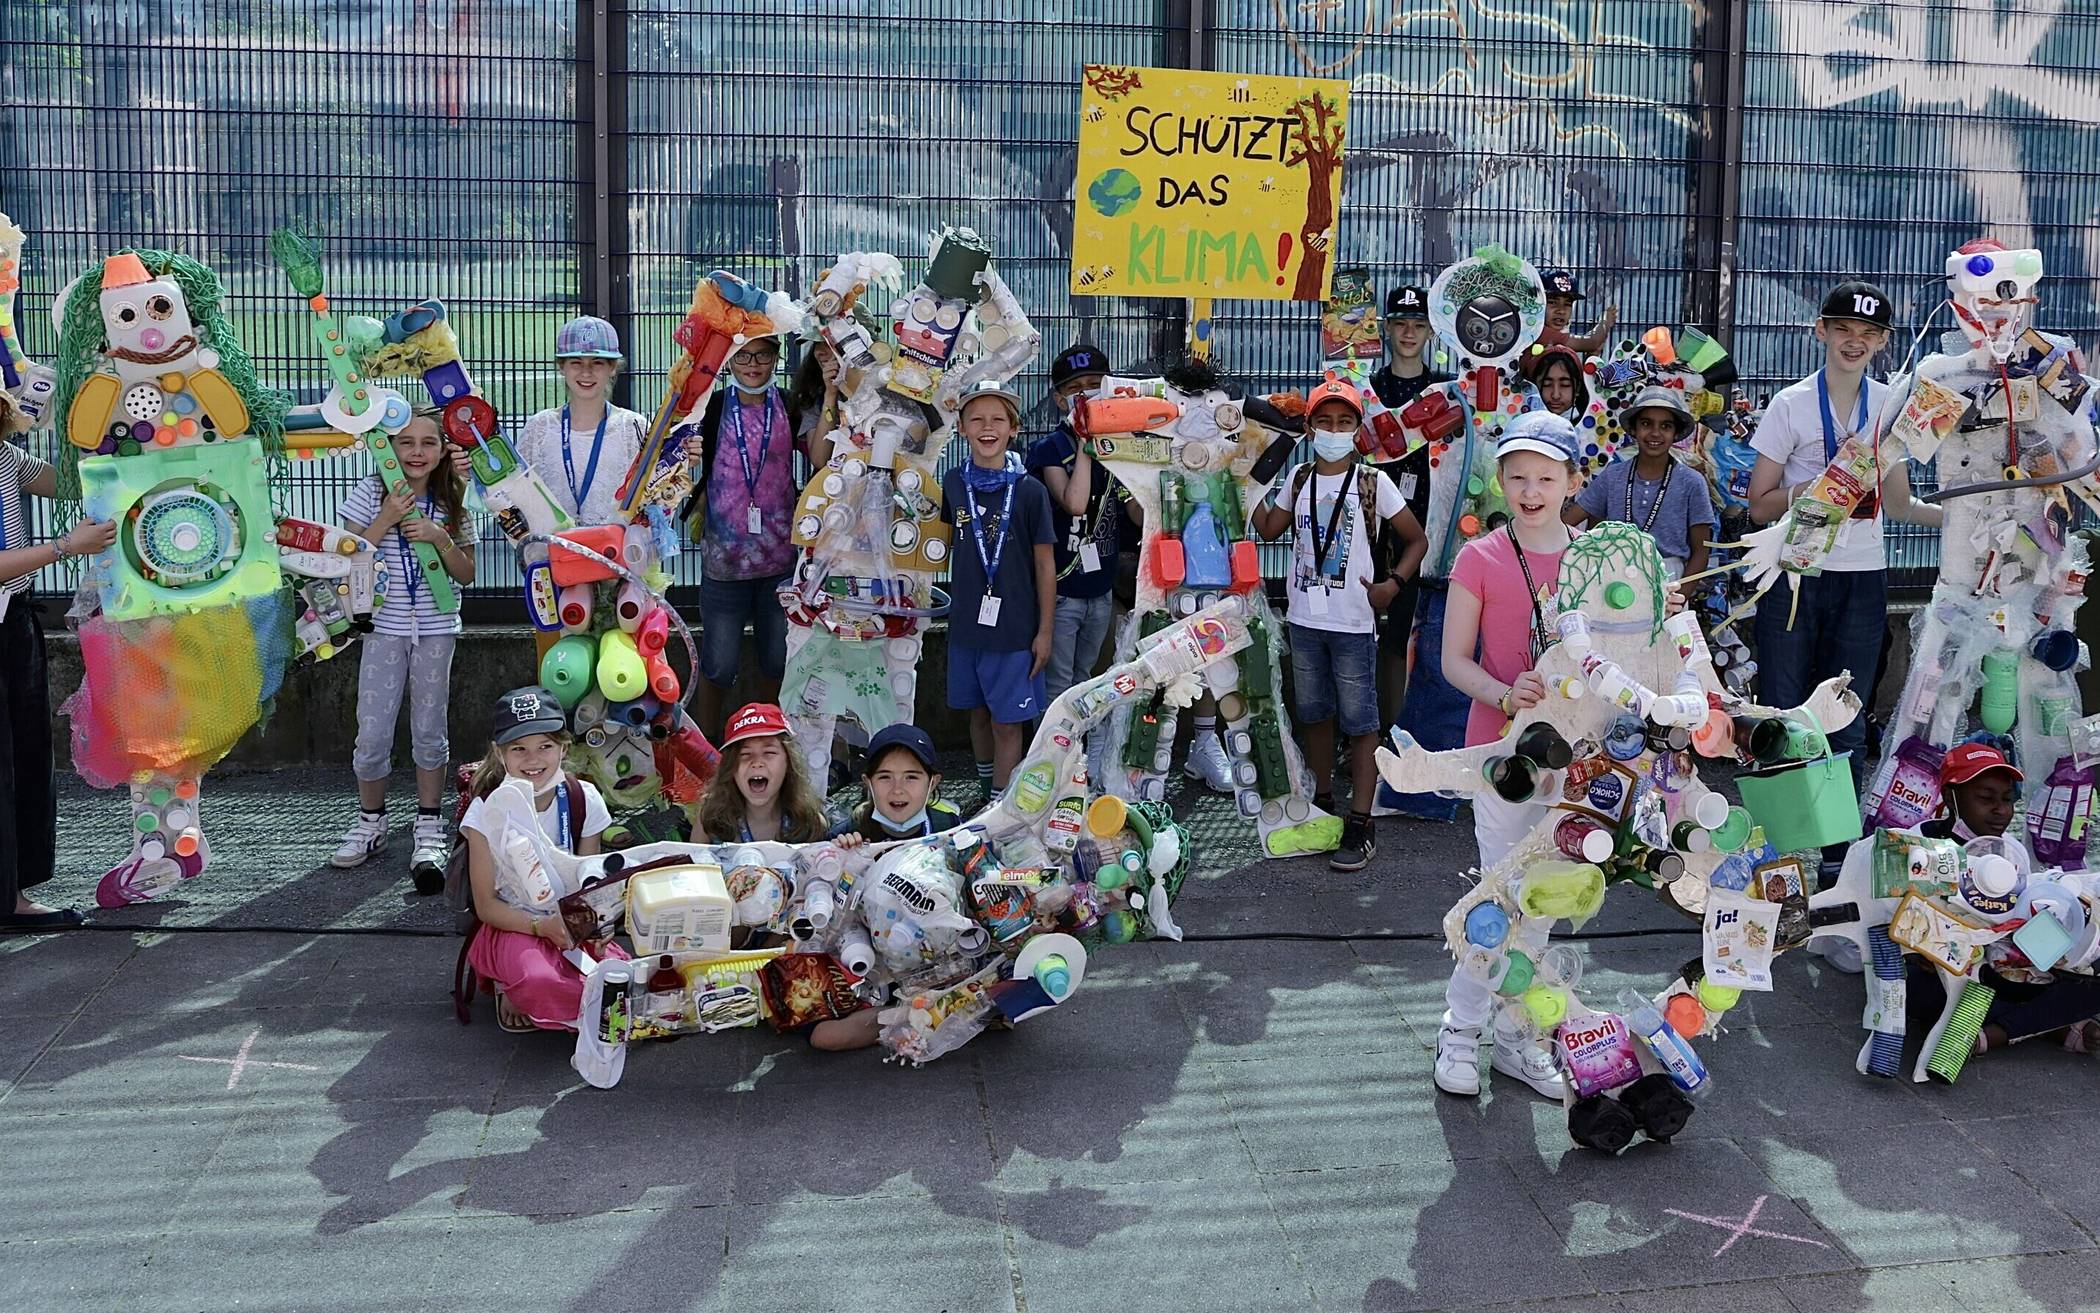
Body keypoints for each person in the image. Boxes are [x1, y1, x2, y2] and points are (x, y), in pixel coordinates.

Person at [1432, 412, 1585, 1101]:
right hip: (1502, 758)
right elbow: (1453, 662)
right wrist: (1504, 689)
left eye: (1546, 477)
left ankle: (1521, 1036)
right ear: (1500, 481)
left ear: (1572, 482)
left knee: (1546, 900)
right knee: (1499, 897)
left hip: (1579, 763)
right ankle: (1460, 1030)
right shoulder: (1480, 557)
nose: (1531, 490)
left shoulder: (1597, 557)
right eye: (1518, 476)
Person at [1251, 374, 1426, 871]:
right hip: (1305, 618)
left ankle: (1361, 820)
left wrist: (1392, 584)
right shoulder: (1302, 478)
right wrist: (1249, 477)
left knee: (1361, 720)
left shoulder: (1374, 482)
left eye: (1343, 421)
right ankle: (1323, 800)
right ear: (1310, 429)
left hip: (1353, 622)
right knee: (1314, 712)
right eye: (1324, 421)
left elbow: (1416, 539)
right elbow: (1268, 528)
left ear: (1356, 429)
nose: (1333, 429)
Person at [1745, 281, 1893, 794]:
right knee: (1783, 710)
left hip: (1862, 577)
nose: (1854, 341)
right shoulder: (1792, 404)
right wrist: (1812, 489)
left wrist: (1968, 514)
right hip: (1794, 575)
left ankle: (1837, 851)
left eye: (1867, 333)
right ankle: (1782, 847)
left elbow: (1896, 502)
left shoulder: (1890, 405)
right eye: (1843, 329)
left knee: (1847, 714)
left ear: (1883, 341)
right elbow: (1758, 502)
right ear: (1821, 332)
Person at [331, 411, 479, 886]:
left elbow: (467, 573)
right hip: (383, 629)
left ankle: (429, 826)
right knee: (372, 732)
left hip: (436, 628)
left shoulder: (453, 498)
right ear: (388, 449)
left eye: (428, 443)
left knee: (429, 728)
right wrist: (386, 519)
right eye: (405, 442)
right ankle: (371, 822)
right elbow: (346, 560)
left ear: (442, 450)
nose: (416, 452)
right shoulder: (372, 491)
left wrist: (439, 538)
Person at [0, 401, 118, 930]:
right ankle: (8, 902)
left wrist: (104, 432)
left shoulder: (5, 455)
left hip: (15, 619)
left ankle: (13, 892)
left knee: (25, 757)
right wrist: (66, 546)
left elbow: (67, 484)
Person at [1908, 743, 2100, 1058]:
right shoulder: (1918, 845)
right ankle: (2041, 1025)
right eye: (1986, 799)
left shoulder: (2012, 851)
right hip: (1948, 977)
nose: (2001, 810)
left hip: (2011, 968)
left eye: (2008, 800)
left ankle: (1996, 1032)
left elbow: (2023, 918)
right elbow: (1895, 925)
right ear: (1950, 798)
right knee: (1917, 991)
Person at [459, 686, 623, 1032]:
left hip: (567, 921)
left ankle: (564, 1002)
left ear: (563, 748)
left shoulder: (583, 797)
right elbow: (487, 906)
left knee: (622, 976)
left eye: (545, 746)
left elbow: (587, 885)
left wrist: (595, 924)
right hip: (512, 923)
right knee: (538, 979)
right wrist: (539, 927)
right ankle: (511, 985)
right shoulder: (486, 810)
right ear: (499, 754)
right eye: (519, 749)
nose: (533, 760)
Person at [494, 316, 650, 660]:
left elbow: (654, 502)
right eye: (576, 362)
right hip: (555, 575)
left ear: (613, 369)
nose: (587, 372)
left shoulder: (634, 427)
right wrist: (532, 552)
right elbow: (511, 497)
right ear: (562, 368)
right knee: (561, 674)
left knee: (622, 674)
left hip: (618, 575)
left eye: (598, 363)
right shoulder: (539, 428)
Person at [688, 332, 807, 741]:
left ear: (776, 358)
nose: (753, 364)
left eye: (763, 355)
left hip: (780, 560)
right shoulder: (713, 406)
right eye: (743, 356)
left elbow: (824, 453)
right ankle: (705, 750)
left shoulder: (790, 405)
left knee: (777, 659)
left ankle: (768, 740)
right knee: (718, 663)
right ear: (728, 360)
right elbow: (675, 451)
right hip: (724, 561)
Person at [943, 379, 1055, 803]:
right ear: (961, 428)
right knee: (977, 714)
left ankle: (1000, 803)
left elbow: (1045, 565)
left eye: (997, 419)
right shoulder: (954, 484)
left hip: (1014, 631)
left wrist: (1044, 631)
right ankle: (985, 786)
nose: (987, 428)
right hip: (966, 628)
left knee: (1007, 723)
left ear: (1014, 427)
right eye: (977, 419)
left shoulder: (1030, 491)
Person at [1025, 344, 1138, 710]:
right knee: (1057, 686)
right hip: (1061, 592)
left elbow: (1139, 514)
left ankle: (1086, 762)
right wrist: (1087, 443)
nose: (1086, 393)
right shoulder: (1050, 449)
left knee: (1090, 681)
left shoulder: (1118, 444)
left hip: (1101, 590)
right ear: (1060, 400)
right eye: (1075, 388)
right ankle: (1054, 764)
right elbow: (1073, 503)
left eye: (1094, 384)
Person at [1368, 284, 1453, 726]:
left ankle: (1403, 728)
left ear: (1431, 332)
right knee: (1364, 629)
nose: (1408, 333)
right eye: (1400, 324)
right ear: (1387, 328)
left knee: (1411, 625)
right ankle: (1368, 728)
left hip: (1426, 518)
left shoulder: (1444, 388)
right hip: (1368, 521)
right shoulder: (1369, 385)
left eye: (1418, 325)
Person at [1566, 385, 1716, 578]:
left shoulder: (1692, 482)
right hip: (1614, 577)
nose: (1655, 433)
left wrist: (1679, 595)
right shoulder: (1612, 477)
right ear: (1633, 429)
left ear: (1676, 433)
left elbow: (1701, 552)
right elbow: (1567, 524)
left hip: (1669, 577)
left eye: (1665, 426)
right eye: (1646, 424)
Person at [690, 702, 829, 844]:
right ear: (730, 768)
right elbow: (690, 865)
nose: (757, 763)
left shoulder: (810, 822)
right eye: (745, 754)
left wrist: (848, 847)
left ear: (789, 763)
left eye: (769, 752)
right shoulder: (710, 819)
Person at [830, 723, 964, 842]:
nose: (897, 789)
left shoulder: (950, 829)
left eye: (911, 777)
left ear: (932, 783)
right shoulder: (846, 836)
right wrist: (841, 860)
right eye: (885, 777)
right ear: (868, 782)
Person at [789, 336, 844, 469]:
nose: (819, 351)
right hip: (833, 485)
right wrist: (830, 394)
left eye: (828, 342)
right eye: (816, 344)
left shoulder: (884, 383)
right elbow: (819, 459)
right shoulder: (814, 394)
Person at [1537, 268, 1618, 356]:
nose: (1561, 310)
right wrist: (1605, 322)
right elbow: (1592, 342)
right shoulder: (1538, 332)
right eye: (1552, 302)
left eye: (1567, 304)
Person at [1526, 344, 1591, 423]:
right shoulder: (1518, 426)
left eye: (1565, 384)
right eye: (1546, 384)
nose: (1555, 396)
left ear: (1577, 388)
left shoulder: (1590, 431)